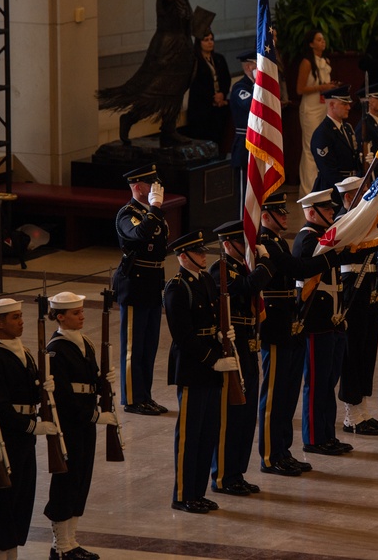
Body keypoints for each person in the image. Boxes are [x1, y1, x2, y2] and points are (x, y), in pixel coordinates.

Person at [255, 193, 336, 475]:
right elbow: (295, 268)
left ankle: (283, 450)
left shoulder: (276, 241)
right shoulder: (264, 243)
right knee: (274, 397)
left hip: (288, 323)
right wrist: (332, 257)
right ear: (265, 217)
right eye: (280, 213)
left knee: (287, 396)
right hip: (275, 327)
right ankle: (269, 455)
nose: (286, 217)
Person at [0, 298, 57, 560]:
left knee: (22, 499)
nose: (21, 321)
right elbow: (1, 407)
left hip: (24, 438)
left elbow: (30, 391)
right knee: (4, 499)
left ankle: (10, 552)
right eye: (14, 317)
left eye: (20, 316)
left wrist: (44, 389)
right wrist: (32, 426)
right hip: (7, 436)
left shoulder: (23, 352)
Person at [44, 292, 117, 559]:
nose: (82, 316)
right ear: (60, 316)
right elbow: (62, 395)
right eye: (76, 313)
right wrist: (94, 416)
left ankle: (71, 542)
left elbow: (90, 379)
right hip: (71, 423)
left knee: (81, 479)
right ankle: (60, 545)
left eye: (82, 311)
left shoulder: (84, 342)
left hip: (85, 421)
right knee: (66, 480)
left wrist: (102, 382)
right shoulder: (56, 349)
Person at [97, 0, 198, 145]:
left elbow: (186, 24)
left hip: (183, 49)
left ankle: (168, 128)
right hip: (167, 49)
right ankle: (130, 118)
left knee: (176, 92)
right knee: (154, 90)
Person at [164, 231, 229, 514]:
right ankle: (183, 494)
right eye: (198, 252)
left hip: (212, 363)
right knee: (190, 435)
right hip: (193, 366)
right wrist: (210, 358)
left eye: (203, 251)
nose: (204, 255)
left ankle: (198, 492)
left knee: (208, 432)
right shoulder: (177, 287)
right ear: (183, 257)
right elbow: (182, 335)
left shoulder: (204, 280)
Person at [208, 221, 272, 496]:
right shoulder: (220, 270)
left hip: (248, 341)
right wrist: (265, 265)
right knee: (231, 413)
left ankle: (237, 472)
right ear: (227, 245)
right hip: (232, 344)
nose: (249, 249)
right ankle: (222, 475)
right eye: (242, 244)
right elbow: (246, 288)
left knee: (246, 414)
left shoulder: (244, 267)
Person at [292, 189, 353, 456]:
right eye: (327, 210)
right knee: (317, 383)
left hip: (333, 321)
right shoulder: (307, 240)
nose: (332, 213)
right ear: (312, 212)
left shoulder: (324, 239)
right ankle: (314, 438)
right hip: (316, 322)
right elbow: (310, 267)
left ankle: (328, 434)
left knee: (329, 381)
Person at [334, 177, 378, 436]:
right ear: (348, 198)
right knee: (352, 350)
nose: (368, 195)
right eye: (362, 193)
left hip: (368, 282)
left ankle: (363, 410)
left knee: (368, 347)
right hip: (351, 285)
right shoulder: (342, 222)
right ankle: (350, 414)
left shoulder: (367, 221)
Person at [114, 164, 169, 416]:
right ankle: (132, 399)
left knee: (149, 345)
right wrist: (155, 208)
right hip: (135, 286)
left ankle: (145, 395)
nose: (155, 188)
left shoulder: (150, 211)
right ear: (137, 187)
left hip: (152, 284)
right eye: (150, 184)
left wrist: (154, 209)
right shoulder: (128, 213)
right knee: (133, 348)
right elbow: (140, 235)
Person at [296, 30, 336, 195]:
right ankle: (307, 190)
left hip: (322, 106)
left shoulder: (324, 60)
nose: (323, 42)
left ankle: (320, 187)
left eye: (323, 39)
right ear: (311, 43)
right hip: (310, 107)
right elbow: (300, 89)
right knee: (309, 148)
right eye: (319, 40)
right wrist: (322, 87)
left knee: (321, 145)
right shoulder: (307, 62)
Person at [181, 30, 231, 148]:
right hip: (202, 109)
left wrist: (222, 94)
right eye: (206, 40)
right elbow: (196, 84)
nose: (210, 43)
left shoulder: (219, 58)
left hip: (218, 106)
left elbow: (226, 79)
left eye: (211, 39)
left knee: (220, 139)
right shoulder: (194, 62)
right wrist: (212, 97)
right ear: (199, 43)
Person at [310, 84, 361, 192]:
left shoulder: (347, 128)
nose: (349, 107)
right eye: (344, 104)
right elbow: (328, 170)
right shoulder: (323, 133)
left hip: (350, 185)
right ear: (332, 105)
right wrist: (346, 189)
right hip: (333, 190)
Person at [229, 50, 257, 212]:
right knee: (244, 195)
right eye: (257, 65)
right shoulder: (240, 88)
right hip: (245, 144)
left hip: (258, 144)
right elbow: (251, 106)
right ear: (248, 67)